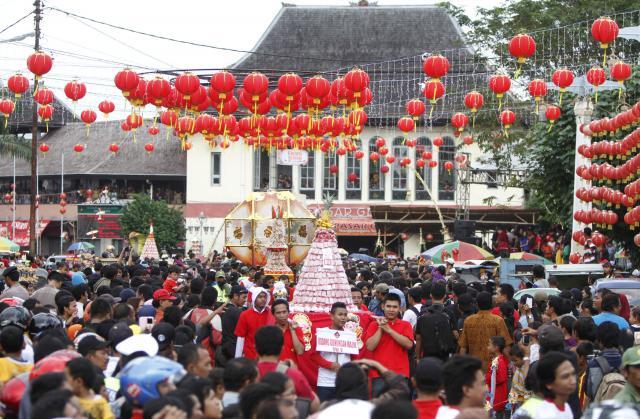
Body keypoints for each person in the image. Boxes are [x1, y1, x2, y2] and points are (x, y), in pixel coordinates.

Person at [254, 325, 320, 412]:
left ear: (255, 348)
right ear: (282, 349)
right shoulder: (293, 375)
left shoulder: (247, 372)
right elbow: (314, 405)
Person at [364, 293, 414, 395]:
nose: (391, 310)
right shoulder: (374, 324)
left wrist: (389, 330)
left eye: (395, 307)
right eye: (388, 306)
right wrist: (381, 328)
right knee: (379, 408)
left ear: (399, 308)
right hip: (378, 374)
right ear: (383, 307)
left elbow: (409, 345)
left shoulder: (405, 325)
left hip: (400, 373)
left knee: (400, 407)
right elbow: (370, 347)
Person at [310, 302, 353, 402]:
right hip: (325, 382)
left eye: (345, 315)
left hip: (344, 382)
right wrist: (330, 365)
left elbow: (354, 357)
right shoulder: (322, 333)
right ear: (332, 316)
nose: (343, 318)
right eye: (340, 314)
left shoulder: (350, 335)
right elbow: (313, 355)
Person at [458, 292, 513, 368]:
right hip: (494, 368)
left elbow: (463, 347)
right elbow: (506, 345)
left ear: (477, 304)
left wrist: (462, 366)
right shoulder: (498, 320)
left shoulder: (468, 320)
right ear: (491, 304)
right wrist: (510, 363)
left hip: (474, 367)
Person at [517, 351, 576, 419]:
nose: (573, 381)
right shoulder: (537, 413)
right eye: (565, 377)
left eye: (573, 374)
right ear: (549, 383)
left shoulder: (566, 407)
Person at [415, 282, 457, 363]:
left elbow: (418, 338)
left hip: (427, 356)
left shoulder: (423, 313)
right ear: (445, 296)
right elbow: (455, 334)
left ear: (431, 295)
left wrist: (418, 358)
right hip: (445, 356)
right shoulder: (449, 313)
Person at [586, 322, 625, 402]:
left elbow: (589, 392)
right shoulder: (627, 362)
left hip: (601, 408)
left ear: (600, 341)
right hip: (624, 407)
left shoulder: (594, 363)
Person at [235, 287, 274, 359]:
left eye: (264, 297)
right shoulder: (245, 315)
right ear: (254, 298)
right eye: (260, 297)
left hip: (267, 355)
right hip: (250, 354)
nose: (263, 299)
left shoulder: (271, 314)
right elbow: (240, 338)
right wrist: (238, 358)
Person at [220, 285, 247, 365]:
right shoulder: (237, 312)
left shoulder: (224, 308)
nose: (245, 300)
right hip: (233, 349)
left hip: (224, 348)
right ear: (235, 296)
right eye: (243, 297)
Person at [271, 300, 304, 364]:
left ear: (288, 312)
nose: (282, 315)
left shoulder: (296, 328)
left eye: (284, 312)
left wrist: (292, 331)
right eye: (278, 313)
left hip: (292, 370)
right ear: (273, 314)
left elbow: (300, 351)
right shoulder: (270, 331)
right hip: (275, 370)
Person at [485, 336, 508, 418]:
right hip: (491, 395)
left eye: (489, 345)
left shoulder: (500, 361)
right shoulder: (495, 360)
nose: (487, 347)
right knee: (488, 411)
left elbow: (501, 377)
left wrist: (487, 377)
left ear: (496, 348)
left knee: (496, 415)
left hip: (497, 397)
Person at [508, 344, 531, 413]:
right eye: (512, 361)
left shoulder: (528, 371)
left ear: (523, 357)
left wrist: (517, 397)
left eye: (515, 360)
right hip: (519, 405)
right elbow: (514, 387)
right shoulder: (518, 370)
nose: (513, 363)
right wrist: (511, 395)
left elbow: (531, 395)